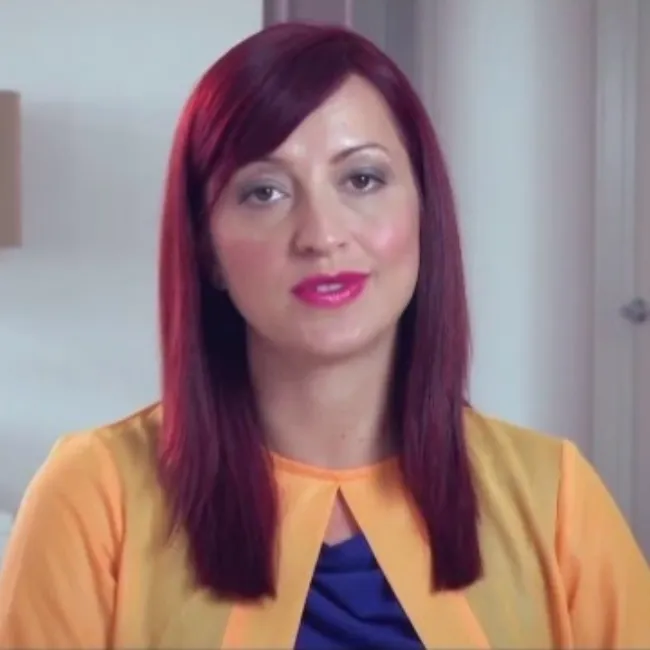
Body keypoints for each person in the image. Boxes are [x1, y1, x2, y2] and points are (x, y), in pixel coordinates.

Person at [0, 21, 648, 650]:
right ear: (207, 249)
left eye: (362, 179)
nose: (322, 235)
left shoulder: (556, 498)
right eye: (264, 192)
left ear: (425, 211)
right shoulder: (93, 498)